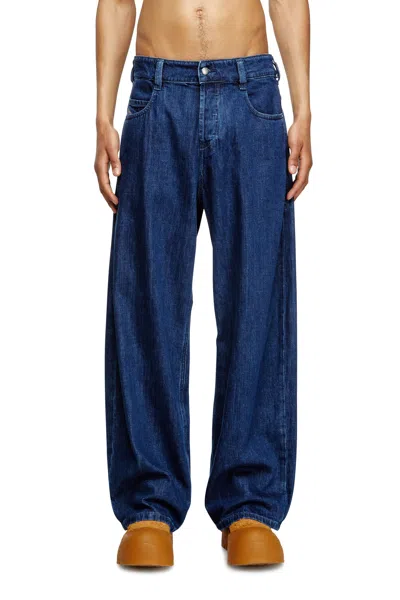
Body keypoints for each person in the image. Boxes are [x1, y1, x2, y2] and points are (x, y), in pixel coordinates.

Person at [95, 0, 312, 567]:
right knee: (148, 302)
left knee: (255, 299)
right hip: (156, 92)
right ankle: (149, 504)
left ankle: (250, 502)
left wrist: (304, 107)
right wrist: (102, 114)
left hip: (250, 92)